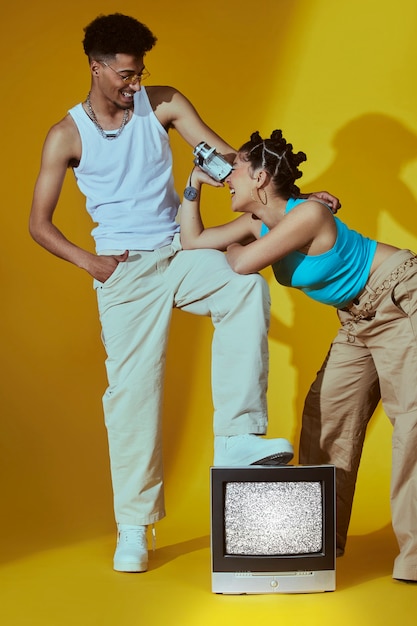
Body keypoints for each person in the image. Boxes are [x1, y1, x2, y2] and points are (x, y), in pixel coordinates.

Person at [29, 14, 339, 574]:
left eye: (140, 71)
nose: (135, 83)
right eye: (124, 74)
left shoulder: (164, 103)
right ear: (96, 68)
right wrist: (92, 262)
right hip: (123, 272)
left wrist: (292, 199)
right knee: (132, 396)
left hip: (182, 251)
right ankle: (134, 526)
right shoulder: (66, 136)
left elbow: (226, 164)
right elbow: (39, 223)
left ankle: (237, 438)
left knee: (244, 287)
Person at [179, 129, 417, 583]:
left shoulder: (308, 212)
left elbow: (242, 264)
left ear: (263, 177)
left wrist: (236, 249)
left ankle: (415, 558)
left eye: (237, 170)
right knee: (325, 416)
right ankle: (317, 543)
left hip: (400, 295)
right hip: (355, 318)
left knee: (411, 421)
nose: (227, 177)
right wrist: (192, 184)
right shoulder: (258, 223)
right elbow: (193, 241)